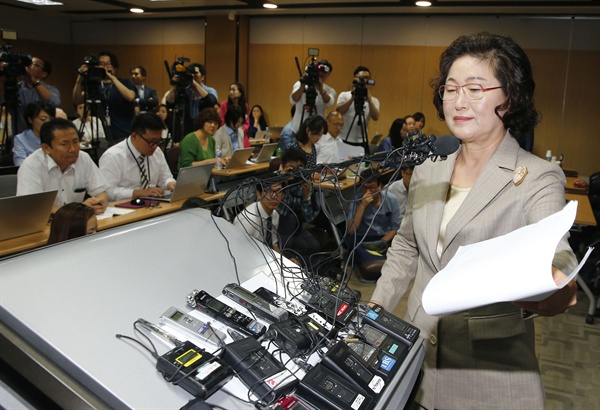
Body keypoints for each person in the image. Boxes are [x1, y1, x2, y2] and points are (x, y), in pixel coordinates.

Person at [370, 32, 578, 409]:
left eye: (475, 88)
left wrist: (558, 279)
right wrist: (376, 310)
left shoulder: (537, 176)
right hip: (415, 360)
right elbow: (406, 247)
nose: (459, 101)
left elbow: (557, 254)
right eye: (451, 89)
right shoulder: (430, 168)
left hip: (488, 374)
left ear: (509, 96)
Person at [17, 118, 108, 214]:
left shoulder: (83, 158)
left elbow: (101, 192)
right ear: (46, 148)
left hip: (78, 222)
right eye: (64, 144)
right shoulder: (31, 166)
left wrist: (100, 203)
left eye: (75, 142)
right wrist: (78, 210)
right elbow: (31, 208)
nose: (72, 149)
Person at [99, 112, 176, 201]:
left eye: (159, 141)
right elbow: (108, 192)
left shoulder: (157, 152)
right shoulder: (113, 156)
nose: (155, 146)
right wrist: (139, 193)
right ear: (134, 136)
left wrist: (170, 183)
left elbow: (165, 177)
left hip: (152, 204)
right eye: (151, 142)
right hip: (123, 208)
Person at [345, 168, 401, 280]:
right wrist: (362, 206)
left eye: (372, 187)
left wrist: (382, 242)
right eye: (364, 187)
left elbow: (395, 228)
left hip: (384, 238)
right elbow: (351, 230)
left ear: (380, 186)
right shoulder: (356, 201)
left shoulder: (391, 200)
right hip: (363, 238)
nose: (368, 191)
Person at [72, 51, 136, 144]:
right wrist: (80, 78)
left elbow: (130, 97)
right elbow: (76, 100)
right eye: (101, 64)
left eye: (108, 64)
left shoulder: (124, 82)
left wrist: (112, 78)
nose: (104, 67)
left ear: (114, 66)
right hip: (100, 135)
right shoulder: (94, 85)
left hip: (123, 133)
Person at [277, 148, 320, 264]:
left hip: (296, 228)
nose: (295, 172)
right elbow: (283, 212)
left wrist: (306, 196)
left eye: (299, 168)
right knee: (289, 221)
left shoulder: (304, 182)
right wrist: (285, 184)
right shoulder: (275, 181)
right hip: (277, 227)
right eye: (291, 168)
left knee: (314, 246)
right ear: (283, 166)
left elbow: (309, 218)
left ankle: (300, 264)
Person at [165, 63, 218, 138]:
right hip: (187, 127)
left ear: (202, 77)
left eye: (195, 74)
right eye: (190, 74)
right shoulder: (185, 91)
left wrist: (194, 83)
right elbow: (169, 103)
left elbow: (211, 101)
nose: (192, 76)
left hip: (203, 127)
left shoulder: (209, 90)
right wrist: (174, 86)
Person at [234, 179, 285, 252]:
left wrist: (283, 261)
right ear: (258, 194)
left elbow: (274, 244)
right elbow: (237, 250)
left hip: (263, 254)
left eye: (279, 191)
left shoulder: (275, 214)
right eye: (268, 191)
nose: (274, 196)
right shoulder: (248, 221)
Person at [335, 66, 380, 147]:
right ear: (355, 78)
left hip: (362, 141)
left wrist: (369, 100)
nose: (365, 80)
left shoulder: (374, 100)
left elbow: (375, 117)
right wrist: (352, 99)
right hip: (344, 139)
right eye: (362, 78)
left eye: (367, 78)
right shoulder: (344, 95)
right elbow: (338, 112)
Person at [15, 56, 61, 134]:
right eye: (29, 63)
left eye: (35, 64)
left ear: (43, 74)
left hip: (43, 136)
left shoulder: (51, 89)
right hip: (20, 135)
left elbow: (54, 102)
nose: (29, 66)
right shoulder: (17, 88)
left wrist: (34, 82)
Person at [290, 59, 336, 135]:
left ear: (329, 74)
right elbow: (293, 100)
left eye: (325, 71)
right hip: (298, 130)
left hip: (316, 133)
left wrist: (321, 90)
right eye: (319, 70)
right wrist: (302, 85)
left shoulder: (329, 90)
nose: (321, 73)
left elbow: (330, 103)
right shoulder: (300, 84)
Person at [12, 101, 55, 166]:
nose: (48, 123)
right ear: (30, 120)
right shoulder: (20, 139)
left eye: (51, 119)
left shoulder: (56, 137)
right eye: (43, 119)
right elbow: (20, 165)